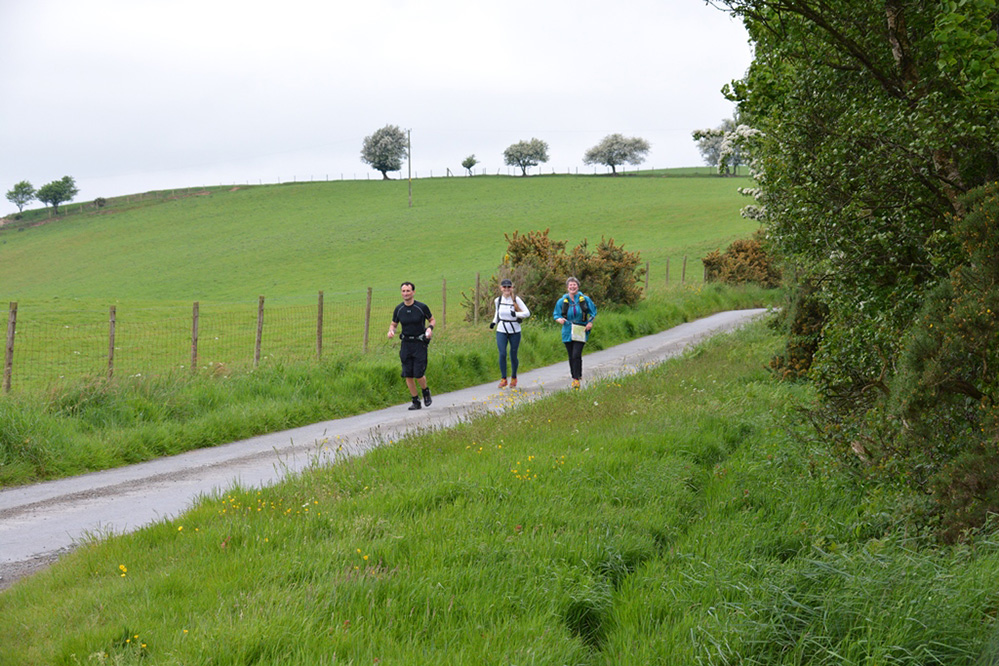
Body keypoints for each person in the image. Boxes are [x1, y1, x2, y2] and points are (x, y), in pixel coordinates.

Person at [388, 281, 435, 410]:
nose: (406, 293)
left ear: (413, 292)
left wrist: (430, 329)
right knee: (407, 374)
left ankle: (425, 391)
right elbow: (394, 324)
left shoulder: (421, 307)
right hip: (406, 344)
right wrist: (391, 331)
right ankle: (415, 401)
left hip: (419, 343)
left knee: (418, 374)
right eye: (403, 291)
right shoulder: (399, 309)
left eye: (408, 291)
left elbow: (432, 320)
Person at [553, 276, 596, 389]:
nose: (572, 287)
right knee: (571, 355)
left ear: (578, 286)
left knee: (576, 354)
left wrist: (590, 322)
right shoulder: (561, 301)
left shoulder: (585, 299)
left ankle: (576, 379)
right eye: (570, 285)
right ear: (567, 287)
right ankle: (576, 375)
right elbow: (556, 314)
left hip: (581, 329)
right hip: (567, 330)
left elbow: (593, 312)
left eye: (574, 285)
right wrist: (559, 320)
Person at [489, 278, 531, 388]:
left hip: (515, 330)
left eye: (509, 287)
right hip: (501, 329)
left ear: (512, 288)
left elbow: (527, 313)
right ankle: (503, 379)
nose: (506, 289)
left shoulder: (516, 299)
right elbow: (497, 313)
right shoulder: (498, 300)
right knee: (502, 353)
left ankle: (513, 377)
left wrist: (516, 314)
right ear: (501, 288)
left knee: (513, 354)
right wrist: (494, 322)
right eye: (504, 287)